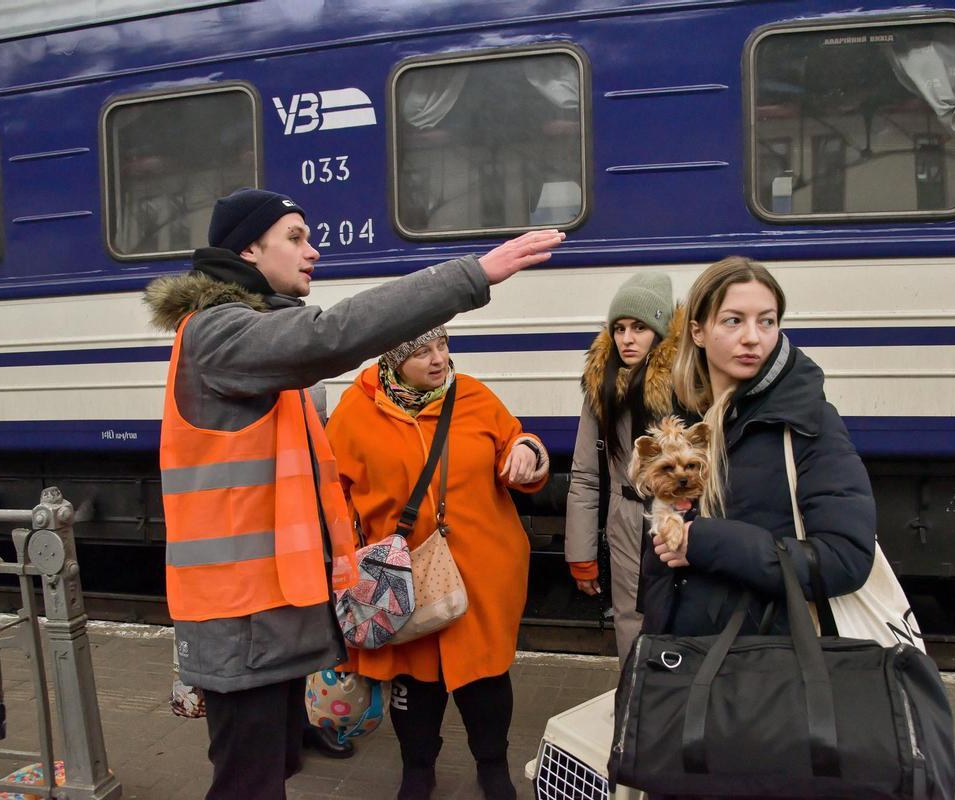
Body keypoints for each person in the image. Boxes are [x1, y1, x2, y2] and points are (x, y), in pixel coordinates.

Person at [144, 187, 564, 800]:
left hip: (267, 610)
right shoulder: (218, 332)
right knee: (248, 783)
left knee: (270, 773)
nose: (312, 251)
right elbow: (328, 336)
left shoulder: (247, 336)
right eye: (295, 237)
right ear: (248, 248)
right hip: (241, 614)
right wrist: (473, 275)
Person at [639, 256, 876, 798]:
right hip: (690, 669)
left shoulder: (806, 422)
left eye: (767, 321)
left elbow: (844, 559)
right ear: (697, 331)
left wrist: (706, 541)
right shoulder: (686, 423)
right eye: (733, 321)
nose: (754, 338)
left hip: (771, 678)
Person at [325, 327, 549, 800]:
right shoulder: (354, 412)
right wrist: (352, 561)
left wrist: (529, 452)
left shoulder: (474, 397)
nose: (438, 360)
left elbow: (518, 441)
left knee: (486, 679)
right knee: (415, 683)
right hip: (401, 581)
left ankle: (493, 768)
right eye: (422, 351)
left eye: (442, 346)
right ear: (393, 357)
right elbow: (333, 493)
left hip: (481, 573)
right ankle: (417, 770)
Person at [564, 272, 680, 661]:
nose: (627, 339)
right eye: (620, 328)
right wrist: (581, 553)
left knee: (684, 613)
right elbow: (584, 474)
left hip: (681, 516)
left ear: (661, 330)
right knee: (630, 618)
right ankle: (636, 698)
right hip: (626, 515)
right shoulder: (602, 384)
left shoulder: (688, 381)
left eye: (640, 328)